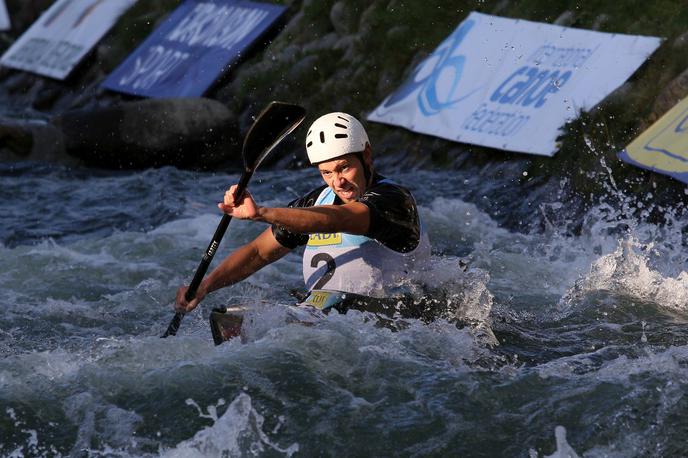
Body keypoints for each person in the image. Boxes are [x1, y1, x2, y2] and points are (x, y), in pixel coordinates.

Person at [175, 112, 431, 320]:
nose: (337, 181)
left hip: (399, 316)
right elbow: (259, 252)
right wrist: (206, 286)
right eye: (326, 172)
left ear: (366, 155)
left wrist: (262, 213)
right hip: (335, 316)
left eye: (344, 167)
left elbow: (338, 219)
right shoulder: (315, 202)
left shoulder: (394, 200)